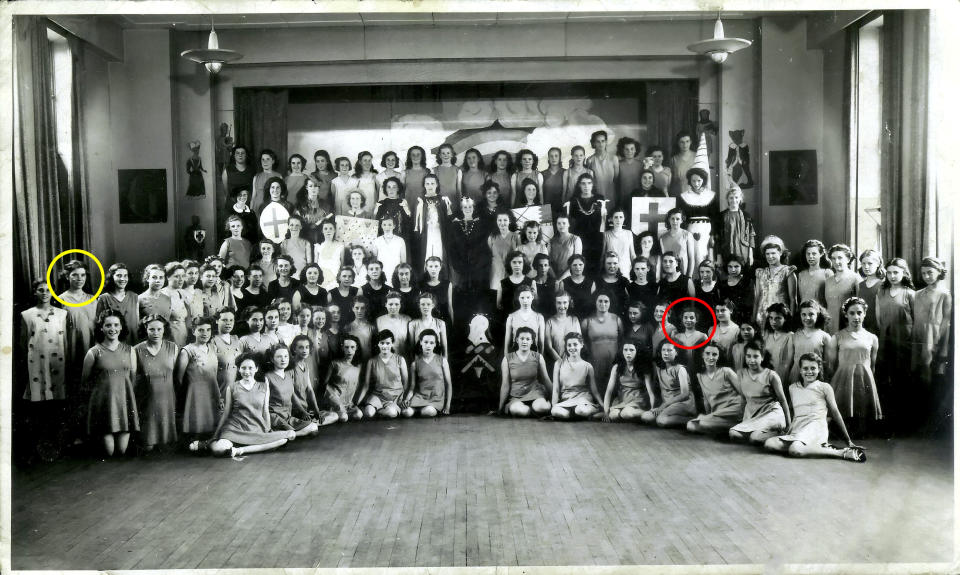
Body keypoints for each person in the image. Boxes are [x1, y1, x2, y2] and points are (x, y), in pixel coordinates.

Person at [190, 353, 296, 458]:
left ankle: (238, 450)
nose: (247, 371)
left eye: (250, 368)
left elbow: (265, 411)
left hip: (256, 427)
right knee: (219, 449)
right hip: (235, 428)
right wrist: (215, 436)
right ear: (239, 369)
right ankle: (210, 444)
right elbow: (226, 413)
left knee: (286, 438)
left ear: (256, 369)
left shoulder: (264, 387)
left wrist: (268, 430)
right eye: (243, 368)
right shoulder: (232, 387)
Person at [764, 353, 865, 462]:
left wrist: (848, 440)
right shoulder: (792, 388)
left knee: (795, 449)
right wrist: (788, 427)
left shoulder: (824, 387)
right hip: (798, 427)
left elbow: (835, 413)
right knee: (770, 443)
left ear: (819, 369)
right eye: (805, 368)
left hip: (815, 427)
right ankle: (814, 448)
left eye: (813, 368)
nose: (809, 372)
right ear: (800, 370)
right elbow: (793, 411)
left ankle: (841, 452)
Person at [83, 311, 139, 456]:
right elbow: (85, 381)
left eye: (116, 325)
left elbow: (132, 379)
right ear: (101, 328)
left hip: (124, 405)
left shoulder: (130, 350)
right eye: (108, 325)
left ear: (121, 327)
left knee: (121, 451)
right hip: (103, 405)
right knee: (109, 452)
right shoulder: (93, 352)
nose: (112, 329)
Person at [729, 340, 791, 444]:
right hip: (753, 415)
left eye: (755, 356)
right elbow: (744, 399)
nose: (751, 360)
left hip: (771, 414)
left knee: (755, 438)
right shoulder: (741, 374)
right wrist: (742, 420)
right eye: (748, 356)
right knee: (733, 433)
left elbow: (783, 400)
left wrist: (789, 425)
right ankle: (759, 434)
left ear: (762, 357)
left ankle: (779, 433)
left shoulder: (771, 375)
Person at [134, 315, 178, 452]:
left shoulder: (173, 347)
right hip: (148, 400)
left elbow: (176, 374)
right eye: (151, 329)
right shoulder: (137, 349)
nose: (156, 333)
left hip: (167, 398)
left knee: (167, 447)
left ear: (164, 330)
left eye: (159, 329)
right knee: (148, 447)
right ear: (145, 330)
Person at [21, 279, 69, 407]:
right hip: (36, 358)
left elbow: (64, 340)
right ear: (35, 292)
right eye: (40, 290)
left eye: (48, 290)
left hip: (57, 358)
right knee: (39, 394)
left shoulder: (62, 314)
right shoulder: (27, 315)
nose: (45, 293)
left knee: (56, 393)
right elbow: (23, 341)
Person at [175, 316, 221, 440]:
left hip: (212, 391)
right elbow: (179, 379)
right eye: (201, 330)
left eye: (208, 330)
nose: (205, 333)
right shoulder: (187, 351)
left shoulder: (213, 348)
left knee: (212, 430)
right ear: (193, 331)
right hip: (195, 395)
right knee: (197, 431)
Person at [686, 342, 744, 435]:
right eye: (707, 353)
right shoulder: (700, 376)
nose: (711, 357)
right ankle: (732, 428)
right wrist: (708, 415)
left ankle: (739, 425)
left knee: (703, 422)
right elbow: (706, 400)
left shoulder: (726, 371)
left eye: (714, 354)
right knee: (691, 425)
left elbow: (744, 393)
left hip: (735, 409)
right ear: (702, 355)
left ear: (719, 356)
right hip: (718, 414)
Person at [263, 344, 320, 437]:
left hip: (288, 416)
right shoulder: (267, 377)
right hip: (274, 417)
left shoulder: (289, 375)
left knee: (313, 427)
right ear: (272, 359)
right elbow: (264, 405)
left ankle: (289, 435)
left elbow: (292, 395)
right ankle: (285, 434)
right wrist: (267, 425)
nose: (283, 359)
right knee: (299, 431)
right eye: (279, 357)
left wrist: (303, 412)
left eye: (286, 356)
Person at [641, 340, 696, 428]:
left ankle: (691, 419)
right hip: (667, 403)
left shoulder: (680, 369)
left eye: (669, 350)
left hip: (683, 403)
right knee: (646, 416)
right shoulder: (659, 368)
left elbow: (685, 394)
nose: (665, 353)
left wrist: (664, 405)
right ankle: (669, 417)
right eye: (663, 350)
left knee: (661, 420)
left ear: (676, 352)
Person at [498, 327, 552, 417]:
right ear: (517, 340)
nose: (524, 341)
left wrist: (554, 400)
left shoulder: (538, 357)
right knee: (518, 410)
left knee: (542, 408)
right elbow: (505, 384)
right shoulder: (507, 358)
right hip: (517, 396)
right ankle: (533, 412)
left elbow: (546, 380)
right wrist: (500, 407)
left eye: (528, 339)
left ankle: (539, 408)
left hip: (535, 393)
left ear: (532, 341)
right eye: (522, 338)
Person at [676, 167, 719, 278]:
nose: (696, 183)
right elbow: (681, 217)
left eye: (699, 180)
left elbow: (715, 217)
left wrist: (713, 235)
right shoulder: (683, 197)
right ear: (689, 181)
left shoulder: (711, 196)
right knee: (692, 255)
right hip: (690, 230)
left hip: (706, 231)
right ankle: (693, 280)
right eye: (693, 180)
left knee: (705, 254)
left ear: (703, 180)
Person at [550, 332, 602, 419]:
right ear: (566, 347)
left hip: (583, 399)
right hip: (566, 399)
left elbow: (594, 391)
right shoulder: (559, 364)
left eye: (575, 344)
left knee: (580, 410)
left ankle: (595, 410)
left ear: (581, 345)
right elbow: (555, 389)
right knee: (555, 411)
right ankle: (579, 415)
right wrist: (553, 407)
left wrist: (603, 405)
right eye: (569, 345)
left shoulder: (587, 366)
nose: (572, 348)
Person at [581, 291, 623, 396]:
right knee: (597, 390)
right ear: (595, 302)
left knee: (614, 389)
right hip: (595, 363)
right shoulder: (587, 321)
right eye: (600, 301)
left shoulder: (617, 319)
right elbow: (583, 343)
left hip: (613, 362)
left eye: (606, 301)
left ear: (610, 303)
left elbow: (622, 340)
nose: (603, 304)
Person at [359, 330, 409, 419]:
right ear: (378, 344)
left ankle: (381, 412)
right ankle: (375, 411)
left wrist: (403, 399)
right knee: (368, 413)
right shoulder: (372, 361)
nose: (385, 346)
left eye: (388, 343)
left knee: (391, 413)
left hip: (395, 398)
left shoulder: (400, 359)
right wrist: (356, 403)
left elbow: (406, 383)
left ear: (392, 344)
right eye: (382, 343)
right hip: (378, 396)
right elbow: (366, 385)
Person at [602, 341, 655, 422]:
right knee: (613, 415)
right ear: (622, 351)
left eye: (631, 350)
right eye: (625, 350)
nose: (628, 353)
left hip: (638, 397)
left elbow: (650, 392)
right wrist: (605, 412)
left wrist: (652, 408)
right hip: (623, 397)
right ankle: (631, 415)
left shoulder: (643, 368)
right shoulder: (617, 367)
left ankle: (645, 414)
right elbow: (609, 390)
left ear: (637, 351)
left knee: (625, 413)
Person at [448, 196, 490, 295]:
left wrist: (478, 263)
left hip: (477, 265)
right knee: (461, 291)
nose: (468, 209)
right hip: (461, 266)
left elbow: (484, 246)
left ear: (473, 208)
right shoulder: (455, 225)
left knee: (477, 291)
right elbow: (452, 247)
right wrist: (458, 265)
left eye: (470, 207)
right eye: (465, 207)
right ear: (461, 209)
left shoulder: (480, 224)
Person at [405, 329, 452, 417]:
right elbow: (412, 387)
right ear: (421, 343)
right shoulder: (415, 364)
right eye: (426, 342)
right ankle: (416, 410)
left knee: (428, 411)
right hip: (420, 397)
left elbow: (448, 384)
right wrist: (407, 399)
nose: (428, 345)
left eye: (431, 343)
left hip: (436, 399)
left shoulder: (442, 360)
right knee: (406, 412)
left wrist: (447, 406)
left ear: (435, 344)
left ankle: (421, 411)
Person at [566, 173, 607, 273]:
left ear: (593, 185)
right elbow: (570, 222)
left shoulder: (600, 199)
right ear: (579, 185)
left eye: (589, 183)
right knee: (580, 264)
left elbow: (604, 219)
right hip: (580, 238)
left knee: (595, 265)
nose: (586, 186)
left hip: (596, 238)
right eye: (583, 183)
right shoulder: (574, 200)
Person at [753, 236, 797, 324]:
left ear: (780, 253)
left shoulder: (788, 271)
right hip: (762, 314)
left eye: (773, 253)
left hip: (780, 314)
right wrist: (753, 318)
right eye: (767, 254)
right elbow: (757, 297)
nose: (770, 256)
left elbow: (793, 299)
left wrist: (790, 320)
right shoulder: (760, 273)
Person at [321, 334, 364, 421]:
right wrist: (333, 398)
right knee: (344, 418)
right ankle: (328, 411)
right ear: (342, 348)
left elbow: (356, 384)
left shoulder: (358, 366)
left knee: (358, 415)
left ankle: (340, 412)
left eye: (352, 347)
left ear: (357, 348)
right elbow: (325, 384)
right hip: (335, 397)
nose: (349, 350)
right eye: (346, 347)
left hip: (348, 401)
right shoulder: (335, 363)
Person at [789, 300, 832, 383]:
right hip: (797, 376)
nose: (807, 318)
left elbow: (827, 364)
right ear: (800, 316)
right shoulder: (794, 336)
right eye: (804, 314)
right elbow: (790, 362)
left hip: (815, 376)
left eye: (811, 314)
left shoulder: (825, 336)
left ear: (818, 315)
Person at [96, 263, 139, 345]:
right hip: (112, 342)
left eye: (125, 276)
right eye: (119, 275)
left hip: (132, 341)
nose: (122, 279)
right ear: (112, 277)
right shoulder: (104, 298)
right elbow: (99, 325)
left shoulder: (135, 297)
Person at [823, 243, 859, 335]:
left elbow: (859, 306)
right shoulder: (828, 280)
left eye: (840, 258)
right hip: (829, 324)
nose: (836, 261)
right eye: (833, 258)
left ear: (847, 259)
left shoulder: (855, 279)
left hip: (847, 324)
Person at [716, 186, 756, 268]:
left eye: (736, 197)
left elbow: (751, 236)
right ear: (727, 199)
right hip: (726, 250)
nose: (734, 200)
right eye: (731, 198)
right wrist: (719, 256)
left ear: (740, 199)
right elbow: (718, 238)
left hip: (742, 250)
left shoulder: (746, 216)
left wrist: (750, 255)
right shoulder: (721, 216)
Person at [210, 308, 243, 399]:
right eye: (224, 320)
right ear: (217, 321)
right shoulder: (212, 341)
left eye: (231, 320)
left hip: (237, 391)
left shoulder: (236, 340)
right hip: (220, 390)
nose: (228, 323)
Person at [544, 290, 581, 370]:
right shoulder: (549, 322)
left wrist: (572, 362)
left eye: (565, 302)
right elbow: (549, 347)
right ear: (555, 303)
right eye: (559, 303)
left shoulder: (574, 320)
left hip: (573, 363)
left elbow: (579, 344)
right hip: (556, 364)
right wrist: (561, 363)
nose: (562, 306)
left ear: (569, 303)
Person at [503, 285, 546, 354]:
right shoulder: (511, 317)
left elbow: (541, 343)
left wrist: (541, 360)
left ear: (532, 297)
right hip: (516, 357)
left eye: (528, 297)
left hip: (533, 357)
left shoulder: (539, 317)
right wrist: (506, 360)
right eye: (522, 298)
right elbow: (507, 343)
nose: (525, 301)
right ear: (518, 298)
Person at [762, 303, 795, 389]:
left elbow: (789, 362)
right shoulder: (767, 336)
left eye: (778, 318)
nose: (773, 322)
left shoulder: (790, 336)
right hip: (766, 375)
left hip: (782, 375)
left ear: (785, 319)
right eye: (771, 318)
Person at [487, 211, 520, 295]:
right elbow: (490, 253)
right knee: (496, 298)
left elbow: (519, 256)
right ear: (496, 221)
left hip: (511, 271)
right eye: (499, 220)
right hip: (496, 272)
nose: (502, 223)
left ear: (510, 221)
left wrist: (513, 247)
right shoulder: (492, 237)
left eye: (505, 220)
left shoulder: (515, 236)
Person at [584, 130, 619, 206]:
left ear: (606, 142)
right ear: (594, 143)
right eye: (598, 141)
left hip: (611, 194)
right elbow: (589, 180)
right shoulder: (590, 160)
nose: (601, 144)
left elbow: (616, 179)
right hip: (596, 195)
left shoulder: (614, 158)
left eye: (603, 141)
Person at [796, 239, 833, 310]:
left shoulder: (827, 273)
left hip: (820, 313)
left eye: (814, 253)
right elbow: (801, 298)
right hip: (804, 314)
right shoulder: (801, 274)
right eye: (808, 254)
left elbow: (830, 300)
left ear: (821, 254)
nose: (810, 256)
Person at [659, 208, 696, 278]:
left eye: (677, 219)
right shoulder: (662, 237)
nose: (675, 221)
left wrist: (689, 276)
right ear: (669, 220)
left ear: (682, 220)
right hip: (668, 274)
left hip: (683, 273)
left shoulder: (687, 235)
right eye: (672, 218)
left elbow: (691, 258)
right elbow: (663, 259)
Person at [294, 176, 331, 244]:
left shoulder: (325, 205)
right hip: (304, 238)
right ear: (306, 187)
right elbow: (296, 224)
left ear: (319, 188)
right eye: (310, 186)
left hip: (321, 239)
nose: (313, 188)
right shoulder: (299, 206)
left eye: (316, 186)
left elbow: (328, 224)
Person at [371, 216, 407, 284]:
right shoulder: (377, 240)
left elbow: (403, 261)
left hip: (395, 272)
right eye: (384, 225)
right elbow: (374, 259)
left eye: (390, 225)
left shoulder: (400, 240)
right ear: (381, 226)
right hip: (381, 272)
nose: (387, 227)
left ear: (394, 226)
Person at [719, 255, 753, 324]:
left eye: (736, 266)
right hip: (728, 318)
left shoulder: (747, 282)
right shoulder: (723, 283)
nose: (733, 270)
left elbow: (749, 303)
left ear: (742, 266)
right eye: (730, 267)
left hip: (744, 318)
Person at [377, 291, 412, 359]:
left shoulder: (407, 319)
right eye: (390, 304)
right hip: (385, 359)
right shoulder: (379, 320)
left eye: (396, 304)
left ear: (400, 305)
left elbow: (410, 343)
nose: (393, 307)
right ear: (385, 304)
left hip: (403, 358)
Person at [420, 256, 454, 324]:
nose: (433, 269)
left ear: (440, 267)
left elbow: (450, 307)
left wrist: (452, 323)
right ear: (426, 268)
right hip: (427, 322)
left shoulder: (447, 284)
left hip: (444, 321)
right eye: (430, 266)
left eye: (436, 266)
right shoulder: (421, 285)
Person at [561, 254, 595, 321]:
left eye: (580, 264)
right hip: (569, 319)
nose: (578, 267)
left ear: (584, 265)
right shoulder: (563, 283)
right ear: (570, 266)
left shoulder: (591, 283)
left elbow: (594, 306)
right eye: (574, 265)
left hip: (587, 319)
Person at [601, 209, 636, 275]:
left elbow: (632, 254)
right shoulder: (606, 234)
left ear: (624, 219)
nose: (618, 220)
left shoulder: (629, 233)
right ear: (611, 219)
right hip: (611, 268)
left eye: (621, 217)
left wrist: (636, 267)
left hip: (625, 268)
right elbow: (603, 254)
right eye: (616, 217)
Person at [315, 220, 345, 291]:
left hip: (334, 278)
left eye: (331, 228)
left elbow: (342, 265)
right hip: (321, 278)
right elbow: (315, 265)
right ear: (322, 231)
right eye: (325, 229)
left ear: (334, 230)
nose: (328, 231)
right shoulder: (318, 246)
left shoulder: (340, 245)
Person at [343, 297, 377, 363]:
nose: (359, 311)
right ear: (352, 309)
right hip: (352, 363)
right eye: (357, 308)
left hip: (368, 362)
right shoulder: (347, 328)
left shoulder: (372, 328)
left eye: (362, 308)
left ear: (366, 309)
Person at [548, 214, 581, 281]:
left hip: (569, 276)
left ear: (569, 224)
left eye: (564, 223)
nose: (561, 225)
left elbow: (576, 262)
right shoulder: (551, 241)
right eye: (559, 223)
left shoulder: (576, 239)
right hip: (553, 277)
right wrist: (555, 279)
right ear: (556, 225)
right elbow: (547, 261)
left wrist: (560, 279)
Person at [616, 137, 643, 212]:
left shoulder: (641, 165)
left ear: (635, 150)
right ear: (622, 150)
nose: (629, 151)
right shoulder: (618, 164)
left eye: (632, 149)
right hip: (622, 199)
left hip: (637, 199)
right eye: (626, 149)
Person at [251, 149, 282, 214]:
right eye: (263, 159)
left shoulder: (279, 176)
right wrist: (251, 211)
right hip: (257, 207)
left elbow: (281, 196)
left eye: (268, 159)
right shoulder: (256, 177)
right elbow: (253, 197)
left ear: (273, 161)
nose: (265, 162)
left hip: (272, 207)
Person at [669, 131, 695, 197]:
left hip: (694, 194)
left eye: (687, 141)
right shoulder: (673, 159)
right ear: (678, 143)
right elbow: (671, 181)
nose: (685, 145)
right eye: (682, 142)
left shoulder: (697, 156)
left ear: (691, 142)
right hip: (678, 194)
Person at [541, 147, 566, 215]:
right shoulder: (542, 174)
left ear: (560, 157)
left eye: (556, 156)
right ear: (548, 158)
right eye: (551, 156)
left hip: (562, 208)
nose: (553, 158)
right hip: (546, 209)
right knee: (547, 226)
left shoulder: (565, 172)